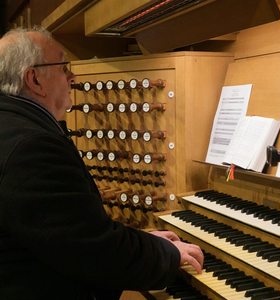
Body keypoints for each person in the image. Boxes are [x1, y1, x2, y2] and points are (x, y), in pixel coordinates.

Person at [0, 27, 204, 300]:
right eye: (63, 67)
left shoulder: (13, 127)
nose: (72, 76)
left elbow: (74, 231)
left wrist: (144, 241)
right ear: (34, 79)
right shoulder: (32, 147)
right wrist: (165, 254)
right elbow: (89, 248)